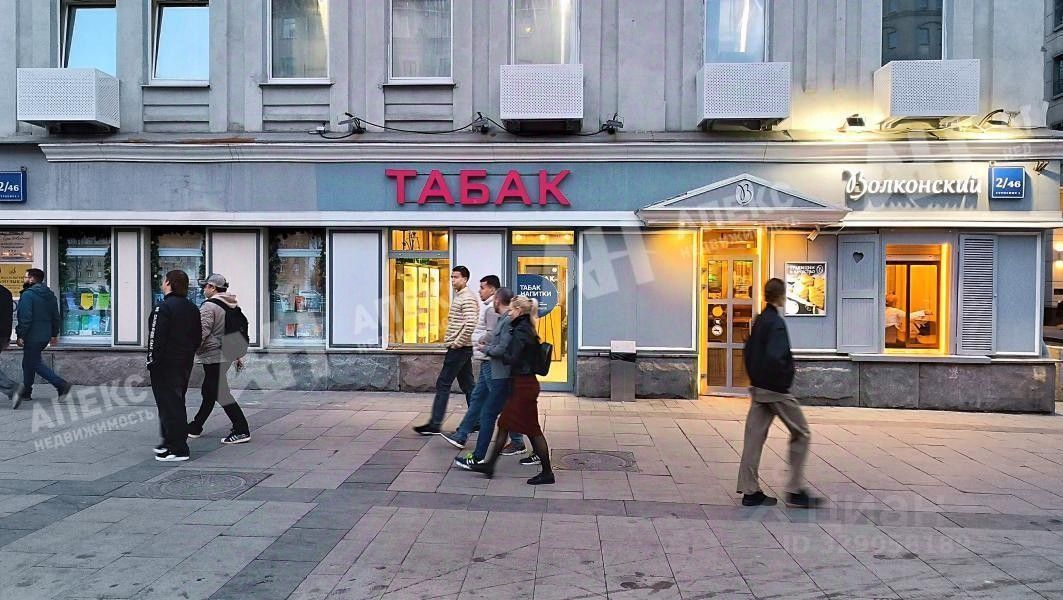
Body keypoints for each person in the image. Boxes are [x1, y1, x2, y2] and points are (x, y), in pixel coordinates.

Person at [738, 278, 820, 508]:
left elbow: (748, 351)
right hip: (775, 391)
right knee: (802, 433)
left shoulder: (760, 320)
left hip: (759, 389)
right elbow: (776, 357)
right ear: (782, 296)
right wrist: (785, 378)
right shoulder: (776, 323)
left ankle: (750, 490)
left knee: (753, 439)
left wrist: (756, 378)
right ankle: (794, 489)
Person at [469, 295, 554, 485]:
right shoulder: (524, 327)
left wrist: (498, 352)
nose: (509, 312)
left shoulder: (521, 330)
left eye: (512, 309)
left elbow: (513, 357)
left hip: (524, 386)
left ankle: (547, 472)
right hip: (523, 384)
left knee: (531, 430)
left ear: (519, 310)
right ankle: (490, 465)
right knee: (506, 424)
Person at [441, 276, 525, 454]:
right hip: (486, 360)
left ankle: (515, 441)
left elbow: (496, 337)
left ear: (494, 292)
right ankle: (462, 434)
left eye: (482, 288)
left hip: (491, 362)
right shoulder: (490, 308)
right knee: (478, 398)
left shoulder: (493, 310)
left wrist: (483, 346)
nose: (479, 291)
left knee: (496, 404)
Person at [413, 266, 481, 436]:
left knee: (443, 383)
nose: (452, 280)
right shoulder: (461, 296)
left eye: (456, 277)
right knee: (468, 385)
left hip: (459, 349)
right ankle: (477, 421)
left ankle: (435, 424)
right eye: (451, 277)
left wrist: (457, 343)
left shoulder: (467, 297)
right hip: (462, 348)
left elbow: (471, 323)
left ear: (465, 279)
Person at [188, 274, 250, 445]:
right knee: (210, 391)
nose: (203, 289)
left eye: (206, 286)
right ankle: (196, 426)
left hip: (213, 354)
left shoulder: (209, 306)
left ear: (213, 287)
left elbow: (201, 332)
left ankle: (241, 429)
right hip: (227, 353)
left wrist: (189, 350)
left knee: (220, 392)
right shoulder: (231, 303)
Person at [147, 270, 202, 462]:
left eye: (164, 280)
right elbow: (198, 337)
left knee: (169, 405)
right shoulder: (192, 308)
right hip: (184, 362)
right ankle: (169, 442)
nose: (162, 283)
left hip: (164, 364)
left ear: (169, 283)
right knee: (176, 402)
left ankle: (178, 448)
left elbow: (155, 338)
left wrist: (152, 361)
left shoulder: (163, 308)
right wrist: (187, 354)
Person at [13, 269, 70, 409]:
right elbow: (56, 316)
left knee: (33, 362)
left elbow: (25, 317)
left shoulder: (28, 295)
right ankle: (26, 392)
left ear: (32, 279)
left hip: (32, 335)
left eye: (25, 277)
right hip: (44, 335)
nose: (24, 279)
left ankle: (61, 384)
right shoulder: (50, 295)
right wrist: (54, 334)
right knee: (28, 362)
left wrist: (20, 335)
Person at [0, 282, 19, 403]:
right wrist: (7, 337)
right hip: (3, 335)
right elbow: (8, 317)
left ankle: (12, 388)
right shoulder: (6, 292)